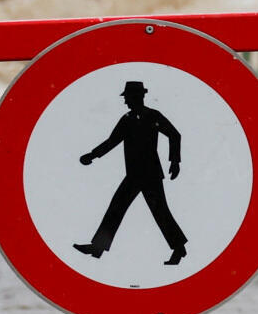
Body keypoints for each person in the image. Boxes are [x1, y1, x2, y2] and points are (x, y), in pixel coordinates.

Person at [74, 80, 186, 265]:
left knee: (160, 213)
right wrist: (92, 155)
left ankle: (179, 249)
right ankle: (98, 247)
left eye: (128, 98)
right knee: (116, 208)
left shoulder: (153, 116)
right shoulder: (126, 119)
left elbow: (174, 134)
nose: (126, 102)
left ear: (138, 97)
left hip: (150, 174)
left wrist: (174, 162)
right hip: (134, 174)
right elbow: (112, 141)